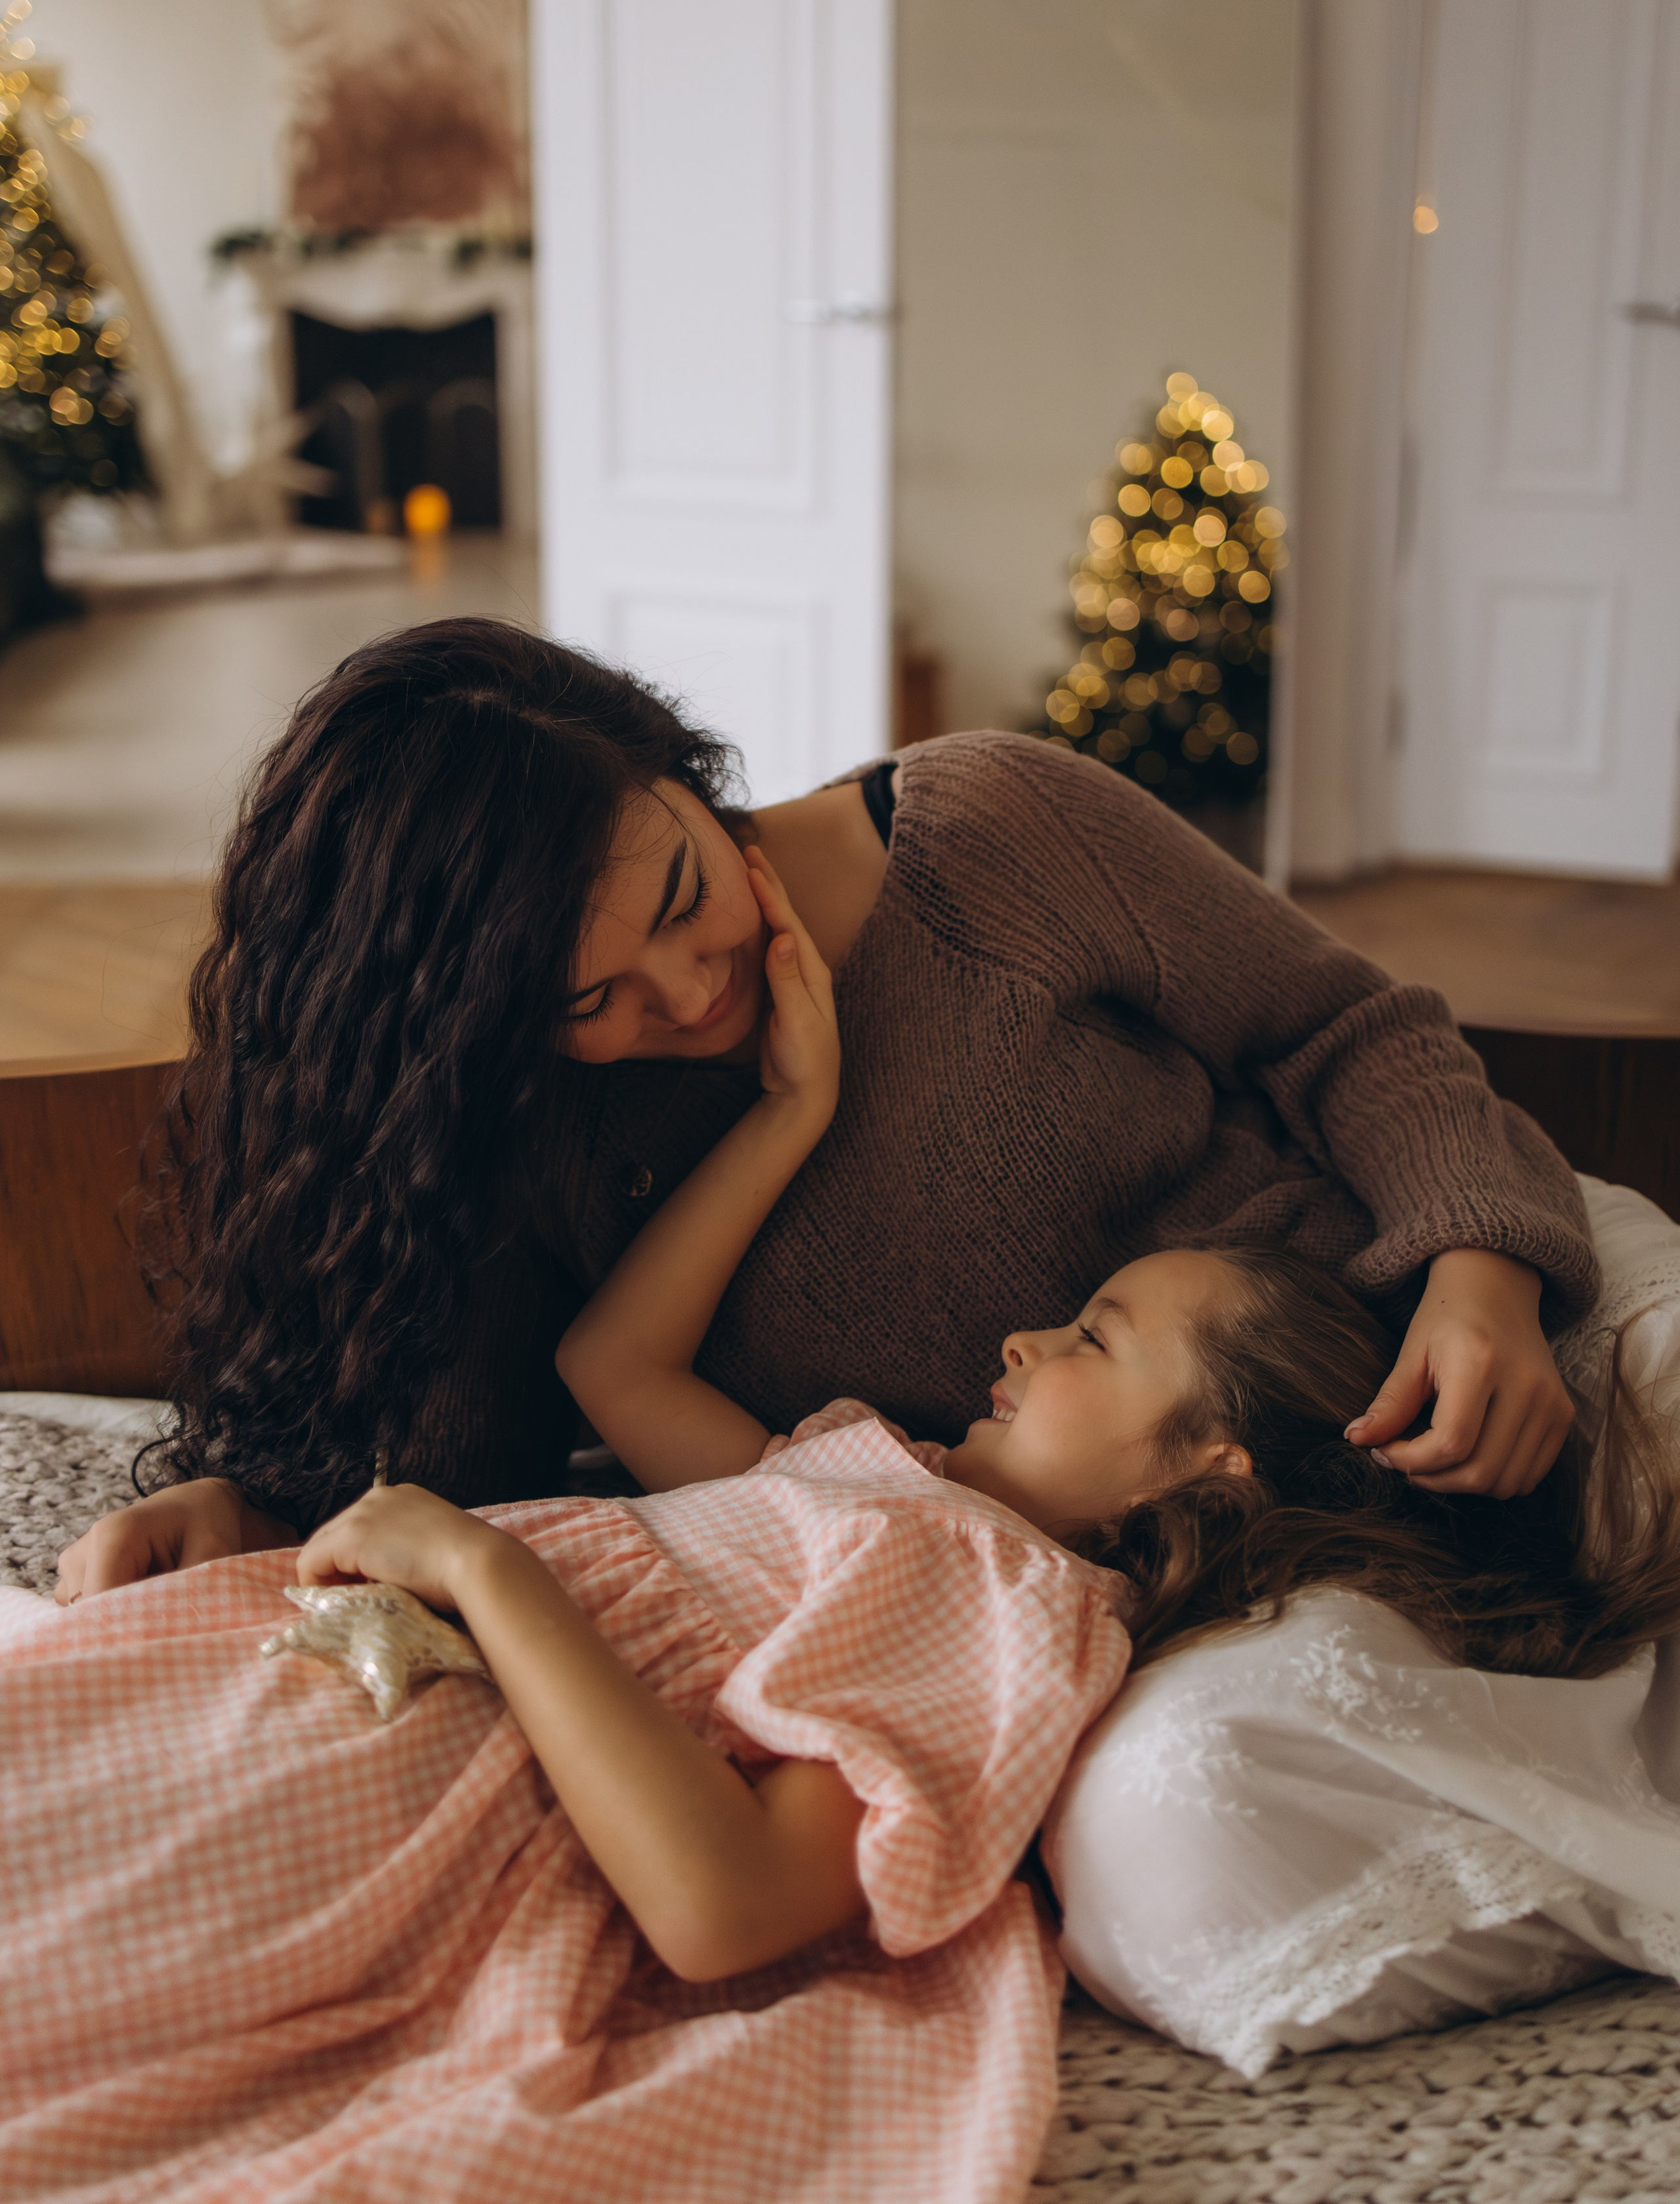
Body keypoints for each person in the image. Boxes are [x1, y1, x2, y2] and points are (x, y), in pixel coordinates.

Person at [10, 858, 1678, 2204]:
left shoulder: (1007, 1597)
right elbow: (614, 1363)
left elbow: (726, 1907)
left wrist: (482, 1562)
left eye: (1091, 1337)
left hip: (421, 1766)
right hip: (313, 1664)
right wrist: (786, 1112)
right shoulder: (886, 1476)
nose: (1022, 1341)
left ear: (1209, 1472)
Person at [58, 620, 1595, 1598]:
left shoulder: (985, 831)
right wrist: (259, 1505)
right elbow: (498, 1449)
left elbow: (1348, 1031)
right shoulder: (522, 1130)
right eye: (583, 1004)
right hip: (1081, 1580)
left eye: (678, 894)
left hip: (1406, 1373)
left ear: (675, 765)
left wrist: (1480, 1276)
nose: (679, 991)